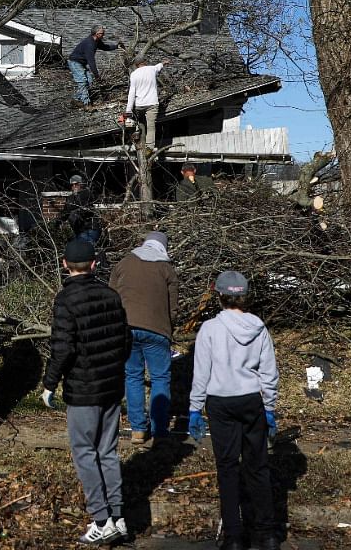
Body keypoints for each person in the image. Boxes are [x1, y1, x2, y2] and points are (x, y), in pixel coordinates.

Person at [42, 239, 132, 545]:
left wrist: (49, 382)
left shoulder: (65, 300)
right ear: (94, 264)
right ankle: (118, 517)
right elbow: (126, 340)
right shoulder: (111, 295)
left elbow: (63, 348)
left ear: (65, 265)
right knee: (107, 451)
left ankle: (101, 519)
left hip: (83, 389)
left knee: (84, 453)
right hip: (111, 385)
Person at [188, 271, 281, 550]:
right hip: (252, 399)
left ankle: (233, 536)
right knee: (258, 467)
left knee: (227, 469)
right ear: (245, 296)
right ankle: (267, 534)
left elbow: (201, 373)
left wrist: (195, 408)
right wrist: (270, 406)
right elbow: (269, 371)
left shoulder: (209, 329)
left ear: (219, 296)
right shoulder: (258, 328)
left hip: (220, 402)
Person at [110, 231, 178, 445]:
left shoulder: (124, 263)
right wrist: (169, 327)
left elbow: (112, 296)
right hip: (158, 331)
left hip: (126, 328)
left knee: (133, 376)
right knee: (160, 378)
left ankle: (138, 429)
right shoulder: (167, 269)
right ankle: (160, 430)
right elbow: (173, 308)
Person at [67, 25, 122, 107]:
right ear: (96, 34)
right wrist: (97, 75)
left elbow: (105, 47)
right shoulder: (90, 44)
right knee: (83, 81)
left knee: (89, 81)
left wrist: (117, 46)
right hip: (75, 62)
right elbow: (91, 62)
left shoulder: (96, 41)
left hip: (81, 63)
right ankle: (87, 105)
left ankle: (76, 99)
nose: (103, 35)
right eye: (102, 33)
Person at [123, 57, 169, 151]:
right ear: (144, 62)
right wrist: (164, 62)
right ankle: (149, 148)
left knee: (139, 121)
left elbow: (132, 92)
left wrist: (128, 109)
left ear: (136, 65)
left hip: (140, 105)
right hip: (152, 104)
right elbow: (158, 66)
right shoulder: (152, 69)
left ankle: (137, 132)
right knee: (151, 126)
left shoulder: (134, 74)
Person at [63, 174, 101, 245]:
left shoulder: (87, 194)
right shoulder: (70, 198)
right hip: (79, 230)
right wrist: (57, 222)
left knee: (88, 248)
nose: (74, 187)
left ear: (81, 184)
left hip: (91, 228)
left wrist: (74, 212)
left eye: (76, 184)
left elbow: (85, 208)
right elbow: (65, 212)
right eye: (72, 185)